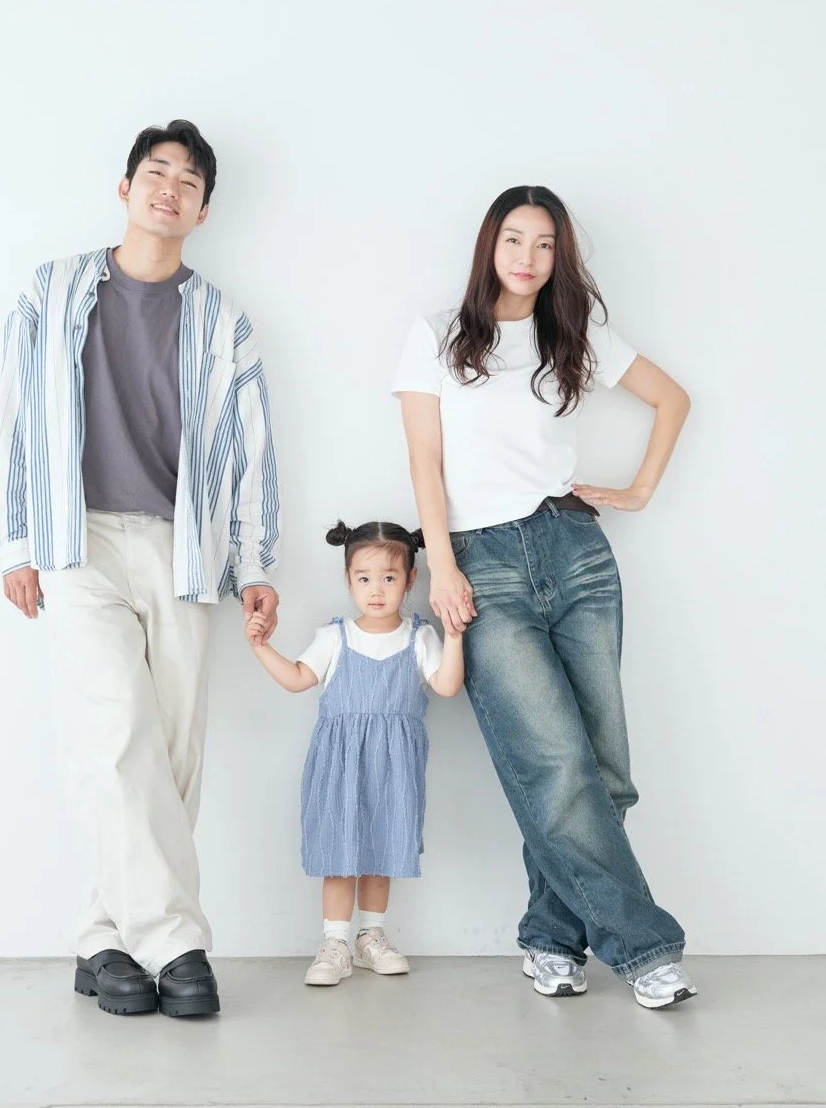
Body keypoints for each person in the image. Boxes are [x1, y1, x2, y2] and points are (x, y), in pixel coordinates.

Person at [0, 120, 280, 1018]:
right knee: (115, 732)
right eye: (157, 173)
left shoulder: (222, 318)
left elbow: (251, 449)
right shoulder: (52, 290)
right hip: (76, 543)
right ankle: (177, 945)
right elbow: (12, 416)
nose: (170, 190)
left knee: (172, 752)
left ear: (203, 209)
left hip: (182, 545)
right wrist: (16, 543)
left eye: (188, 182)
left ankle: (103, 939)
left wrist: (256, 562)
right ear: (126, 188)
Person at [392, 185, 696, 1009]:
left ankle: (551, 941)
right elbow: (425, 463)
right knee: (555, 765)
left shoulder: (576, 332)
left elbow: (672, 399)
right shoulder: (437, 336)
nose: (526, 258)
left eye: (544, 244)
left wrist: (637, 490)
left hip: (576, 550)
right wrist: (442, 566)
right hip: (482, 563)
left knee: (605, 772)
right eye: (513, 239)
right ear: (489, 245)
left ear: (560, 256)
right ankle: (645, 948)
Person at [245, 520, 464, 986]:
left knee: (382, 855)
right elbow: (298, 679)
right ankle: (335, 943)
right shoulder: (335, 637)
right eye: (364, 578)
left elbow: (447, 685)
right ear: (348, 580)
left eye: (389, 577)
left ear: (411, 579)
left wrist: (455, 634)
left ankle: (371, 937)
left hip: (395, 769)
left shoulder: (420, 637)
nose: (376, 589)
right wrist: (262, 648)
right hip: (339, 767)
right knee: (340, 856)